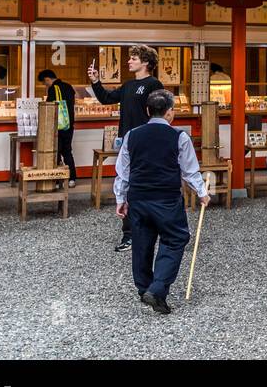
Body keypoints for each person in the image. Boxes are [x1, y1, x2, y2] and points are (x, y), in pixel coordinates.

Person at [113, 89, 209, 315]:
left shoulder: (132, 135)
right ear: (170, 113)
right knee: (176, 237)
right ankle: (157, 289)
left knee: (142, 241)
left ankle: (144, 287)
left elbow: (123, 171)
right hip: (165, 196)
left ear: (148, 111)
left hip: (138, 196)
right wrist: (202, 192)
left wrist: (120, 198)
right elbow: (190, 170)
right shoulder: (179, 136)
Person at [88, 44, 165, 251]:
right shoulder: (128, 85)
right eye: (130, 58)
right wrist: (96, 81)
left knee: (147, 185)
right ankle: (129, 234)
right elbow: (106, 98)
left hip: (147, 142)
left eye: (133, 58)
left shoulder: (154, 84)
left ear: (146, 62)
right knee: (125, 185)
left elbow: (161, 112)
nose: (129, 61)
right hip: (127, 142)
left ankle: (156, 228)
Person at [39, 69, 78, 187]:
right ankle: (71, 179)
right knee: (67, 151)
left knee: (56, 152)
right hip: (69, 125)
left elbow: (49, 107)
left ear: (47, 79)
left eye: (45, 83)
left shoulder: (53, 88)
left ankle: (56, 180)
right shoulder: (69, 86)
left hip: (58, 126)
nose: (45, 85)